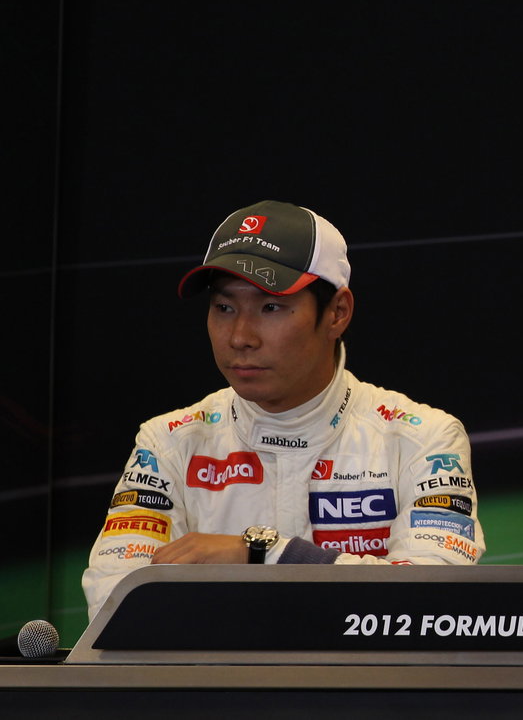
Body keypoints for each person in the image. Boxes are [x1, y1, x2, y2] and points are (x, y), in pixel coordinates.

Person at [83, 200, 484, 619]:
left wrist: (267, 553)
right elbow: (115, 608)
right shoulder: (168, 441)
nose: (240, 336)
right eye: (224, 308)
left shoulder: (424, 438)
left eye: (270, 307)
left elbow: (435, 607)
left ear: (337, 313)